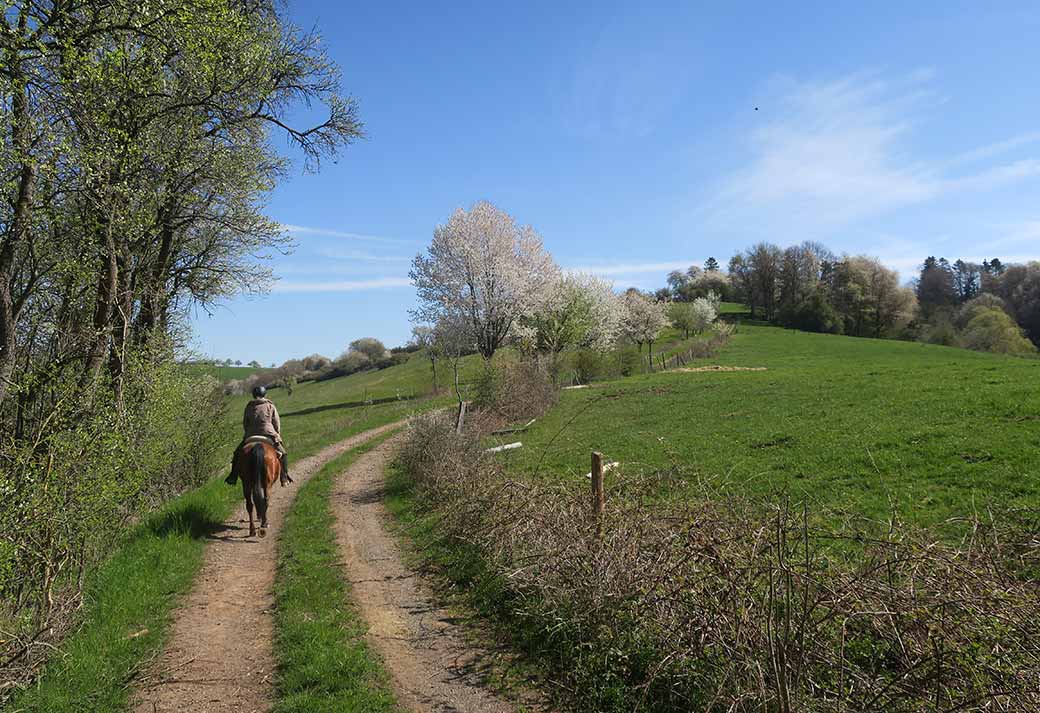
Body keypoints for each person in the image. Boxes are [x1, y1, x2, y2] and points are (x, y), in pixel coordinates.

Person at [225, 385, 292, 486]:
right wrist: (277, 433)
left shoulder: (249, 406)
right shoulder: (270, 406)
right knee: (283, 454)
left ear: (254, 395)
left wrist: (248, 433)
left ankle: (233, 476)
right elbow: (276, 422)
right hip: (268, 434)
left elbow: (245, 423)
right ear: (264, 394)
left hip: (251, 434)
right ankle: (284, 477)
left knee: (237, 454)